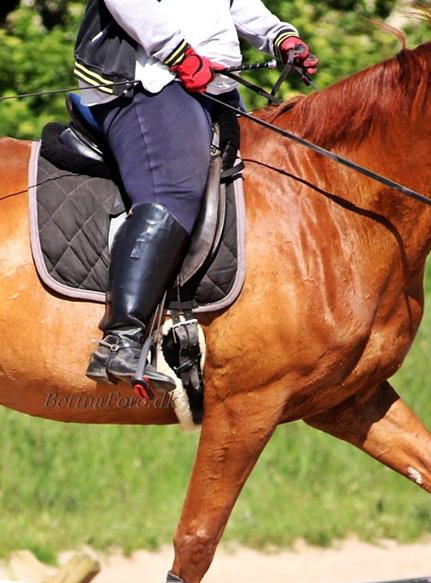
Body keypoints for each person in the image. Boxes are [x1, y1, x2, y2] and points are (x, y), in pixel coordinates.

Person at [75, 0, 318, 393]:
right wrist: (179, 53)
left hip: (211, 82)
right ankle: (122, 339)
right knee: (173, 189)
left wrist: (278, 36)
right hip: (149, 79)